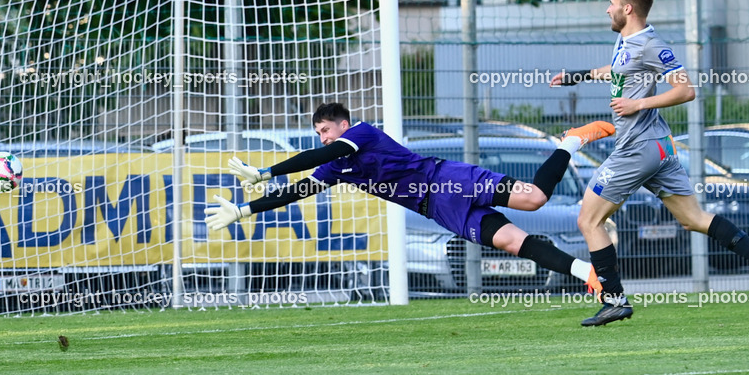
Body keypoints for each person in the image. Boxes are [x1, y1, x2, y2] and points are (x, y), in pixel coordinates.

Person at [549, 0, 749, 326]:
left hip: (637, 149)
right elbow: (617, 71)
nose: (607, 8)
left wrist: (638, 104)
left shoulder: (650, 43)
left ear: (627, 9)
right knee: (693, 219)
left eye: (612, 3)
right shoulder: (625, 40)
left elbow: (686, 89)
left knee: (589, 219)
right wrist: (579, 75)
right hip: (658, 147)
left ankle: (614, 299)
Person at [205, 102, 615, 296]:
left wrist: (264, 171)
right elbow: (299, 191)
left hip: (446, 180)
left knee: (535, 199)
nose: (323, 137)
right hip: (436, 208)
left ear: (343, 125)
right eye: (318, 132)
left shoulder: (360, 133)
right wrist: (244, 208)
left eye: (326, 129)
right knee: (513, 242)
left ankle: (570, 143)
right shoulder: (334, 168)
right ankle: (587, 274)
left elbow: (323, 154)